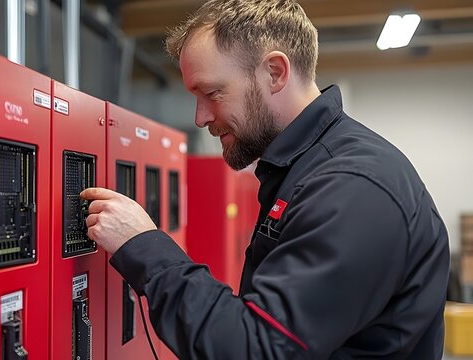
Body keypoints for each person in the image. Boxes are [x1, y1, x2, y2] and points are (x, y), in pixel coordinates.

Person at [80, 0, 450, 358]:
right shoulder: (306, 169)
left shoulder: (352, 187)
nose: (200, 117)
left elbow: (258, 348)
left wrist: (145, 246)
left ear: (275, 72)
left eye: (212, 93)